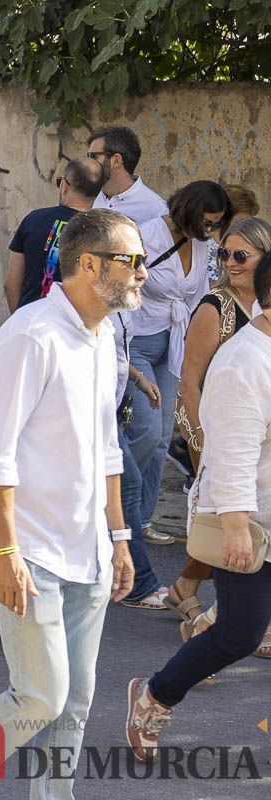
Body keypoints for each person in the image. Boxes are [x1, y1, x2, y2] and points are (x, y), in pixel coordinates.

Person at [0, 209, 140, 799]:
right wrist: (4, 550)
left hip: (88, 548)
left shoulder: (104, 333)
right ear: (90, 265)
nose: (143, 274)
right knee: (39, 695)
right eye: (133, 261)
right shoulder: (29, 335)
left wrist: (118, 539)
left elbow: (106, 449)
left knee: (75, 700)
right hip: (31, 548)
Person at [125, 251, 271, 761]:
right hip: (250, 521)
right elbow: (231, 453)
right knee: (239, 635)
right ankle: (155, 696)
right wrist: (234, 528)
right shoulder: (245, 362)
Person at [165, 216, 271, 653]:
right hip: (218, 435)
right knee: (228, 523)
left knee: (241, 529)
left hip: (253, 439)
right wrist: (202, 442)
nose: (230, 263)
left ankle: (198, 600)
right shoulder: (215, 308)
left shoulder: (262, 312)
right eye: (223, 254)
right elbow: (189, 382)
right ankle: (216, 617)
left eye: (240, 255)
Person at [127, 181, 231, 546]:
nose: (211, 229)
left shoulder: (205, 246)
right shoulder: (145, 235)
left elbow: (206, 291)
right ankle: (118, 511)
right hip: (137, 342)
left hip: (174, 344)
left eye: (216, 223)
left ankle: (140, 521)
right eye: (207, 221)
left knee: (161, 439)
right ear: (188, 210)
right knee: (147, 431)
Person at [4, 157, 105, 312]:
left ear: (64, 186)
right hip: (75, 325)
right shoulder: (102, 232)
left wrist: (19, 319)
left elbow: (11, 285)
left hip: (31, 321)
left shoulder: (33, 219)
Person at [89, 125, 168, 224]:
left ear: (116, 160)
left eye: (93, 156)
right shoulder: (93, 197)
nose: (88, 162)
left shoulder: (157, 211)